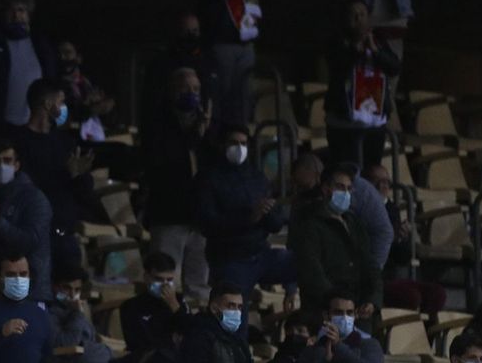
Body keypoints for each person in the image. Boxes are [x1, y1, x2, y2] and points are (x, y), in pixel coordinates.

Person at [195, 124, 295, 302]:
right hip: (229, 258)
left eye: (243, 143)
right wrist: (249, 218)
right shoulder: (208, 179)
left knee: (303, 263)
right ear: (222, 145)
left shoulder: (256, 176)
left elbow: (276, 224)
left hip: (261, 252)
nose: (239, 148)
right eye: (234, 142)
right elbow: (208, 224)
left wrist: (268, 213)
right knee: (235, 311)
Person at [142, 67, 212, 301]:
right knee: (163, 282)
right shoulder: (158, 122)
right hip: (169, 216)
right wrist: (194, 135)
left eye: (196, 89)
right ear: (172, 91)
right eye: (185, 88)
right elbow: (161, 162)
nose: (191, 93)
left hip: (199, 220)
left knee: (199, 286)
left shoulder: (207, 125)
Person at [11, 78, 97, 272]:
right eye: (61, 102)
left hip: (64, 237)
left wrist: (78, 175)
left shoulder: (65, 143)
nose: (63, 108)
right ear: (48, 105)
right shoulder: (18, 142)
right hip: (32, 238)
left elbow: (85, 191)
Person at [289, 161, 382, 327]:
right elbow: (312, 271)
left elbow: (371, 265)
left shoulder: (355, 224)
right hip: (324, 313)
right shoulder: (308, 224)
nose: (345, 192)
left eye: (348, 188)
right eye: (340, 187)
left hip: (358, 313)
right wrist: (338, 303)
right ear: (325, 189)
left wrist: (372, 300)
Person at [0, 138, 53, 301]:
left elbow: (30, 241)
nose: (1, 166)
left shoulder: (34, 198)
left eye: (7, 160)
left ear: (17, 165)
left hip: (30, 294)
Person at [324, 0, 401, 168]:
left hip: (374, 121)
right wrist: (356, 49)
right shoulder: (337, 42)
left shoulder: (378, 41)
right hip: (344, 123)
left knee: (371, 170)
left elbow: (394, 67)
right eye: (354, 15)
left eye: (363, 14)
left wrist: (375, 51)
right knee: (345, 172)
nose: (359, 19)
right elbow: (338, 66)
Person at [363, 160, 446, 315]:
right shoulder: (361, 210)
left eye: (387, 181)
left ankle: (427, 334)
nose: (384, 185)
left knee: (437, 293)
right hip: (374, 278)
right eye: (378, 181)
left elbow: (402, 258)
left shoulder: (391, 209)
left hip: (391, 274)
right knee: (410, 296)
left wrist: (402, 239)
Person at [291, 152, 393, 271]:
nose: (303, 192)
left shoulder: (363, 193)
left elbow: (383, 230)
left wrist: (372, 272)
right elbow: (294, 241)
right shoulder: (302, 200)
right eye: (299, 186)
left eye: (307, 186)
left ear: (319, 176)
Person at [0, 0, 58, 130]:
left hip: (35, 125)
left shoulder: (40, 45)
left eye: (21, 10)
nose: (16, 16)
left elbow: (52, 79)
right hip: (1, 125)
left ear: (28, 14)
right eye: (11, 10)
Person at [48, 265, 115, 363]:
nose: (73, 295)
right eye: (66, 288)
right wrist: (77, 314)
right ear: (55, 287)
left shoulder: (77, 312)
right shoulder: (50, 314)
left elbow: (91, 340)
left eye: (77, 290)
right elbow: (66, 344)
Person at [118, 251, 188, 362]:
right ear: (146, 277)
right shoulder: (131, 306)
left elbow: (189, 332)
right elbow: (137, 343)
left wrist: (174, 305)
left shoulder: (178, 301)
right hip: (147, 362)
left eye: (169, 280)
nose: (165, 284)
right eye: (159, 279)